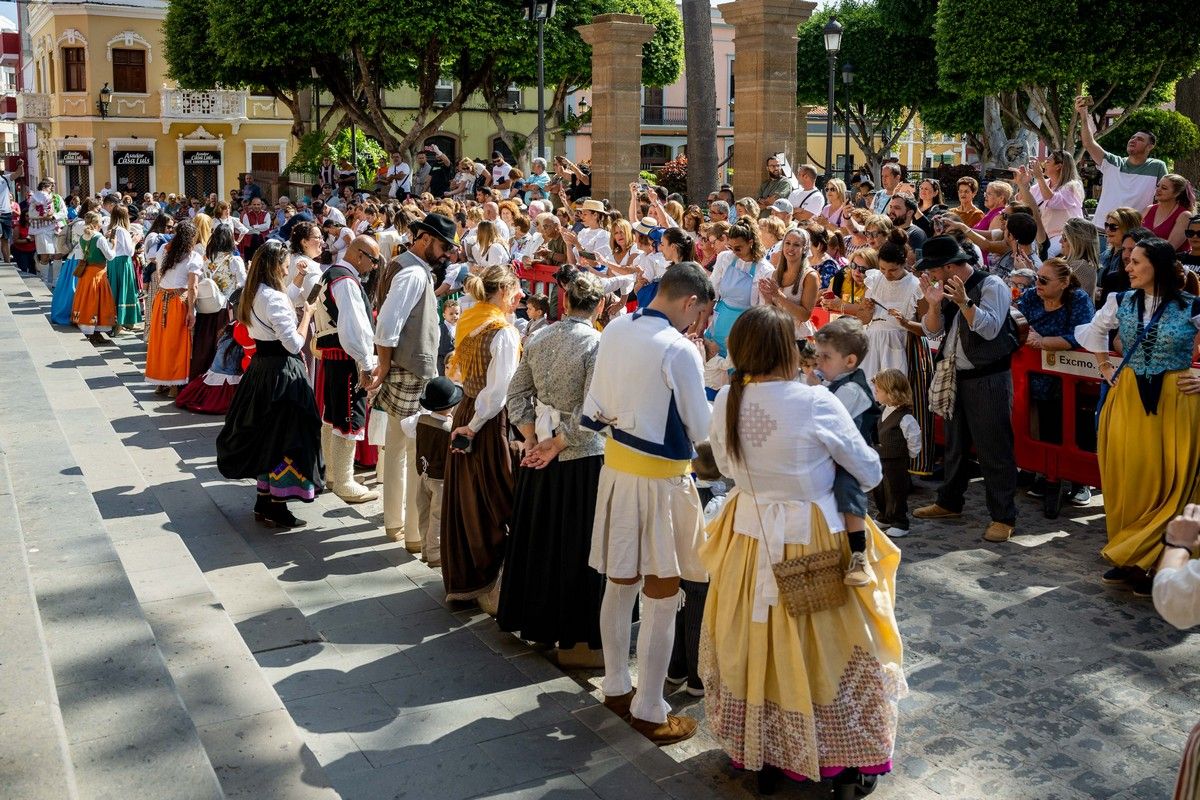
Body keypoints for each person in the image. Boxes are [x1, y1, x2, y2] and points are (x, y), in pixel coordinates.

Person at [700, 304, 901, 796]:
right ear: (784, 350)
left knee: (755, 640)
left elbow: (725, 464)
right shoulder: (814, 402)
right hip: (812, 536)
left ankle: (764, 751)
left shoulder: (726, 398)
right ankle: (837, 758)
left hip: (748, 536)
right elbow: (870, 469)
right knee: (829, 642)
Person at [582, 262, 714, 745]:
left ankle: (617, 685)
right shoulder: (679, 349)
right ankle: (650, 708)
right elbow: (701, 431)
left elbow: (594, 408)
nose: (698, 324)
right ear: (689, 302)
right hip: (661, 483)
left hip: (617, 471)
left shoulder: (616, 325)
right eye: (700, 313)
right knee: (662, 591)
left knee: (620, 582)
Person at [1073, 236, 1200, 597]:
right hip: (1128, 395)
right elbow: (1091, 333)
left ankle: (1157, 560)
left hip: (1177, 400)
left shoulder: (1192, 305)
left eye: (1136, 261)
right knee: (1130, 476)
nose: (1127, 266)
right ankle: (1131, 556)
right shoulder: (1119, 301)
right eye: (1128, 260)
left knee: (1172, 481)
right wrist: (1103, 366)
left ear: (1156, 267)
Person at [500, 272, 607, 667]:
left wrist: (531, 439)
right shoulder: (597, 343)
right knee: (577, 548)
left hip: (543, 452)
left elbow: (517, 394)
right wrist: (555, 443)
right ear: (597, 308)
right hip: (579, 459)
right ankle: (578, 640)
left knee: (540, 542)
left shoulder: (539, 336)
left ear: (564, 303)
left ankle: (539, 623)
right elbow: (594, 407)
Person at [913, 235, 1020, 543]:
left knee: (994, 447)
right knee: (955, 445)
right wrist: (933, 305)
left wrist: (963, 302)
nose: (931, 275)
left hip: (989, 377)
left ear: (948, 266)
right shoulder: (943, 289)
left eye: (934, 269)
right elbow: (933, 334)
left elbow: (988, 328)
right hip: (954, 375)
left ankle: (1003, 516)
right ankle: (949, 502)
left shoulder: (991, 286)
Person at [216, 241, 322, 528]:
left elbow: (280, 300)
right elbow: (294, 343)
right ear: (275, 266)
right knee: (284, 439)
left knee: (267, 437)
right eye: (287, 265)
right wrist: (308, 316)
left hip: (262, 371)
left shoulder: (255, 293)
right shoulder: (272, 298)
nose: (289, 268)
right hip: (282, 374)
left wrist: (298, 280)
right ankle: (278, 504)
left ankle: (264, 500)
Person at [370, 213, 458, 547]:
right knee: (412, 451)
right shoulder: (414, 273)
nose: (446, 252)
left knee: (396, 449)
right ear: (423, 238)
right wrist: (384, 365)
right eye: (442, 245)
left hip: (403, 367)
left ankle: (396, 524)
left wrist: (385, 365)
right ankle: (412, 534)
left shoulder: (404, 265)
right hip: (411, 370)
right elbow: (388, 324)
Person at [440, 265, 523, 611]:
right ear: (503, 292)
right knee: (493, 499)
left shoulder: (469, 319)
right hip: (485, 421)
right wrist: (474, 426)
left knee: (466, 499)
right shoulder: (502, 331)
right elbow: (498, 391)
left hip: (467, 408)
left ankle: (466, 579)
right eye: (517, 291)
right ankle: (490, 583)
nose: (520, 297)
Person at [1016, 257, 1096, 507]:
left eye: (1043, 280)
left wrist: (1046, 342)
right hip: (1037, 375)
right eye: (1037, 277)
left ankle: (1080, 482)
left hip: (1072, 377)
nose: (1036, 283)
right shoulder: (1031, 296)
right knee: (1046, 426)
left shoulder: (1078, 299)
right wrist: (1030, 337)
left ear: (1063, 284)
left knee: (1076, 427)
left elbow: (1083, 334)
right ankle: (1047, 473)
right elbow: (1016, 321)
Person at [315, 236, 382, 504]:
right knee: (348, 417)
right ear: (359, 255)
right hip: (346, 358)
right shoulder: (346, 280)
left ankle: (333, 474)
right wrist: (366, 363)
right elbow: (355, 327)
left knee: (332, 415)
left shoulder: (329, 274)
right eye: (373, 260)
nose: (375, 266)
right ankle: (343, 481)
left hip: (332, 355)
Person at [399, 377, 460, 568]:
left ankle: (426, 550)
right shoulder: (450, 429)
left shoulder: (420, 420)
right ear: (451, 406)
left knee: (423, 513)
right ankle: (435, 554)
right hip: (440, 479)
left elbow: (405, 425)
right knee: (438, 517)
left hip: (422, 474)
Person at [146, 220, 203, 395]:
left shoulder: (163, 250)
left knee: (160, 342)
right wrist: (192, 311)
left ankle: (160, 382)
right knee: (176, 343)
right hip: (178, 301)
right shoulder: (193, 257)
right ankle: (174, 385)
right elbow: (193, 286)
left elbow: (161, 274)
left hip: (161, 298)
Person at [858, 232, 924, 381]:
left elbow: (928, 330)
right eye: (882, 269)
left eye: (893, 270)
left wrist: (905, 323)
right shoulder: (874, 279)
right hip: (872, 348)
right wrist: (867, 309)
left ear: (904, 263)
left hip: (901, 349)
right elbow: (863, 319)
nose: (887, 274)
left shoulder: (915, 286)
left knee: (894, 396)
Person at [708, 219, 772, 355]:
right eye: (731, 247)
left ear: (751, 243)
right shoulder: (724, 258)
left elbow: (762, 309)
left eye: (738, 248)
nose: (734, 252)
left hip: (744, 329)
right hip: (719, 323)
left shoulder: (764, 270)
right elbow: (712, 291)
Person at [192, 223, 246, 381]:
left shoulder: (205, 259)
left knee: (204, 342)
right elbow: (242, 283)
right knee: (221, 342)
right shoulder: (234, 260)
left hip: (206, 304)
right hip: (225, 306)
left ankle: (199, 374)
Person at [871, 368, 922, 538]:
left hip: (896, 461)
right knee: (879, 489)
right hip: (880, 459)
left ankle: (900, 521)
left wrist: (911, 455)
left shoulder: (904, 417)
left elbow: (914, 436)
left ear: (891, 393)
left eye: (878, 390)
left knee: (895, 491)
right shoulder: (883, 410)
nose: (875, 393)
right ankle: (884, 516)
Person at [757, 227, 818, 342]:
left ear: (804, 249)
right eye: (788, 243)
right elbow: (773, 310)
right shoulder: (775, 274)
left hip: (798, 339)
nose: (790, 248)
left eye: (796, 245)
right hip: (777, 335)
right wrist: (767, 298)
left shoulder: (810, 276)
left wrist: (778, 295)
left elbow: (804, 316)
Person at [69, 212, 116, 343]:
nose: (102, 224)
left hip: (86, 274)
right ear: (96, 224)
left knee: (87, 300)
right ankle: (96, 332)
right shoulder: (99, 237)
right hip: (98, 274)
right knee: (98, 301)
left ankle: (89, 329)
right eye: (101, 221)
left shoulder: (83, 236)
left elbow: (80, 255)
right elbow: (110, 256)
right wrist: (114, 244)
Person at [51, 199, 95, 326]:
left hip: (76, 258)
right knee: (72, 290)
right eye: (97, 209)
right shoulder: (81, 224)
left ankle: (74, 315)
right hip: (77, 259)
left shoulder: (79, 222)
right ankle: (69, 315)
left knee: (71, 289)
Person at [104, 205, 142, 336]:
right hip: (123, 263)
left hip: (114, 262)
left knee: (117, 290)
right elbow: (130, 251)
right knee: (124, 291)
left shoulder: (111, 229)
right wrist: (135, 241)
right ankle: (119, 326)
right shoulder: (122, 231)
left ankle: (126, 322)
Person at [1097, 208, 1143, 302]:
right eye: (1107, 225)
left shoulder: (1132, 259)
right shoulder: (1104, 255)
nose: (1108, 230)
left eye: (1113, 227)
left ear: (1128, 229)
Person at [1143, 174, 1195, 252]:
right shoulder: (1149, 209)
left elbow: (1170, 248)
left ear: (1176, 193)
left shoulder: (1184, 215)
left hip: (1171, 262)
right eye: (1158, 186)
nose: (1158, 190)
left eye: (1164, 188)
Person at [1059, 217, 1101, 300]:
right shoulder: (1078, 263)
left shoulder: (1079, 266)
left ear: (1077, 242)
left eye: (1064, 237)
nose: (1060, 241)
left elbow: (1051, 291)